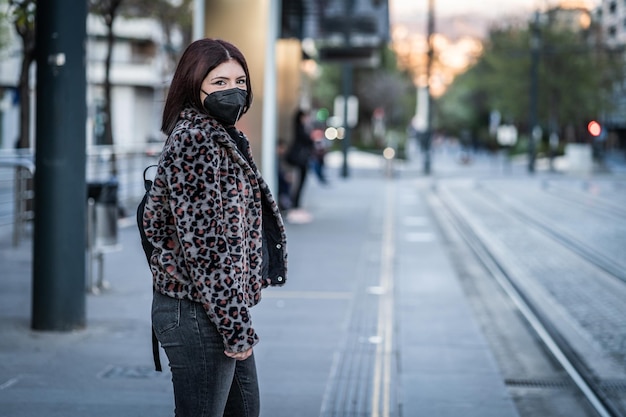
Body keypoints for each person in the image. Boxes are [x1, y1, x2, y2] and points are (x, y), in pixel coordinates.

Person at [141, 38, 287, 417]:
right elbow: (205, 249)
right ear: (195, 85)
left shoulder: (222, 137)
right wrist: (236, 327)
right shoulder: (196, 140)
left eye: (240, 81)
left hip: (216, 308)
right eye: (219, 83)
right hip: (195, 311)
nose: (233, 91)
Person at [284, 109, 314, 223]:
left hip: (301, 160)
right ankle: (295, 206)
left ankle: (295, 206)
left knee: (298, 183)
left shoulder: (299, 128)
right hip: (300, 161)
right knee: (299, 183)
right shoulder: (301, 128)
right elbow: (308, 141)